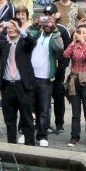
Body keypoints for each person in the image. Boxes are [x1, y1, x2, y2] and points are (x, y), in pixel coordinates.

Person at [0, 19, 37, 145]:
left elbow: (33, 42)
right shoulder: (4, 44)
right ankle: (11, 146)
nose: (10, 29)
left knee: (27, 119)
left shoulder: (24, 42)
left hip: (22, 85)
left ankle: (30, 147)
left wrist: (20, 29)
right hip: (7, 86)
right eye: (8, 27)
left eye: (13, 27)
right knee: (9, 120)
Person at [28, 13, 64, 147]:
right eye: (45, 22)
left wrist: (55, 29)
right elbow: (25, 38)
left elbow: (59, 47)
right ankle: (28, 133)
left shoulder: (55, 36)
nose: (47, 24)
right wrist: (34, 25)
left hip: (45, 78)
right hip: (31, 77)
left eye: (49, 22)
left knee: (43, 108)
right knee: (29, 107)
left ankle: (42, 135)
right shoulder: (37, 34)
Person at [63, 24, 86, 148]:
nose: (81, 34)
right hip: (75, 79)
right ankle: (74, 137)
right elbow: (66, 55)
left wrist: (82, 42)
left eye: (84, 32)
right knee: (75, 111)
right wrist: (73, 42)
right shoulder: (74, 46)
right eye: (79, 32)